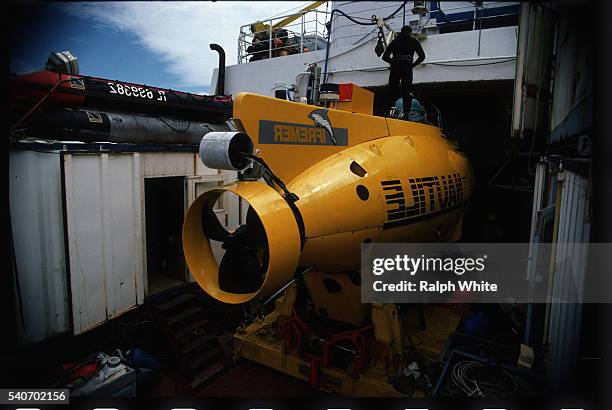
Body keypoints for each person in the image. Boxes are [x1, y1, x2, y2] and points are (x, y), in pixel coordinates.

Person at [381, 26, 425, 116]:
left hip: (396, 68)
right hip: (407, 68)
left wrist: (393, 62)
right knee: (407, 91)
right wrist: (412, 65)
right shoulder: (413, 42)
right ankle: (406, 113)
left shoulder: (395, 41)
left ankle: (387, 111)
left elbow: (384, 57)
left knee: (392, 90)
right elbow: (422, 56)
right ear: (410, 32)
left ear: (401, 32)